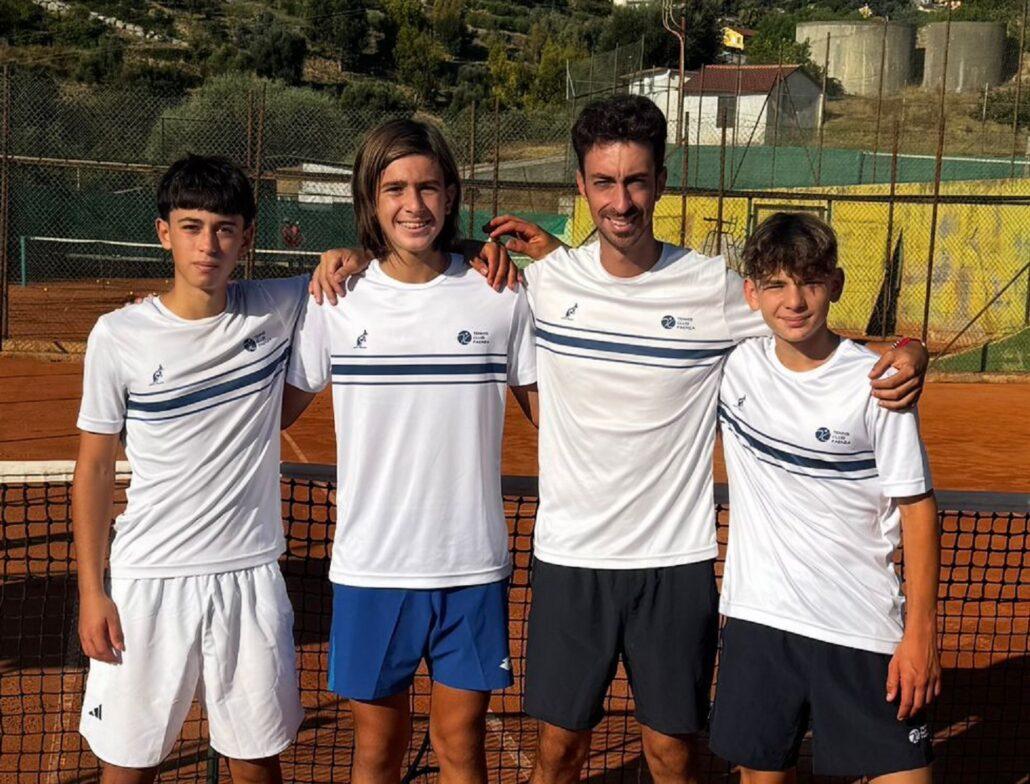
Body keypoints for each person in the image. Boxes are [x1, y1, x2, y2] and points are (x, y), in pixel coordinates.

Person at [310, 94, 928, 784]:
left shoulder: (717, 291)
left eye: (636, 180)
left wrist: (909, 349)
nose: (622, 200)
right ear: (581, 187)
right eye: (604, 182)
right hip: (572, 560)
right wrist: (356, 256)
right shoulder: (534, 285)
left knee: (673, 754)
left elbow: (811, 325)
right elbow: (435, 270)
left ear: (661, 181)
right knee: (559, 752)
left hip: (677, 561)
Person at [282, 119, 537, 784]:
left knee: (461, 747)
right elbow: (271, 410)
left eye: (427, 187)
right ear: (370, 199)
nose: (413, 204)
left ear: (451, 195)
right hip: (372, 568)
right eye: (394, 188)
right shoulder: (337, 299)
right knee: (377, 753)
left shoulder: (501, 293)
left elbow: (553, 417)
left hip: (471, 566)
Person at [73, 155, 308, 784]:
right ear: (163, 232)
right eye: (192, 226)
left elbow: (382, 261)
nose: (209, 244)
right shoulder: (117, 335)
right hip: (147, 581)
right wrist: (92, 590)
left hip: (250, 575)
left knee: (257, 763)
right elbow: (94, 469)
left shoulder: (280, 306)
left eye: (225, 228)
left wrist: (469, 245)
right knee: (127, 769)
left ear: (248, 237)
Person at [709, 211, 939, 782]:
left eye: (810, 281)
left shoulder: (878, 385)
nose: (794, 300)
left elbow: (917, 512)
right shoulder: (734, 366)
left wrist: (921, 636)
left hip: (862, 628)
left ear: (834, 284)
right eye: (777, 284)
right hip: (760, 622)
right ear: (751, 294)